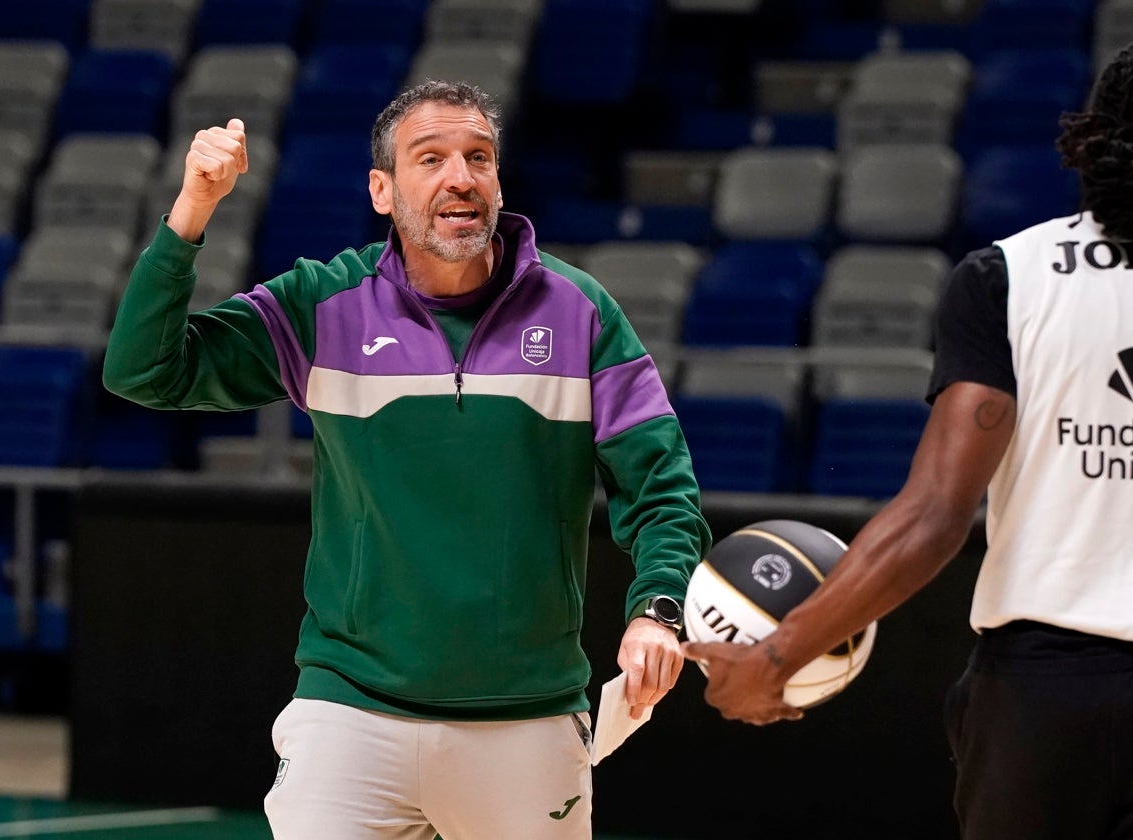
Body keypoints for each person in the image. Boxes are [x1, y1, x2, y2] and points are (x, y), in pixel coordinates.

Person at [102, 80, 711, 839]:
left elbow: (661, 489)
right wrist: (192, 208)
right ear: (382, 191)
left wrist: (657, 610)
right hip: (349, 712)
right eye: (432, 158)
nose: (461, 177)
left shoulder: (580, 311)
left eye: (478, 158)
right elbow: (143, 370)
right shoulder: (321, 305)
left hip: (524, 720)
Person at [681, 36, 1133, 840]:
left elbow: (936, 514)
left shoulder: (1013, 276)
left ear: (1095, 139)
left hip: (1040, 702)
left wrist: (776, 657)